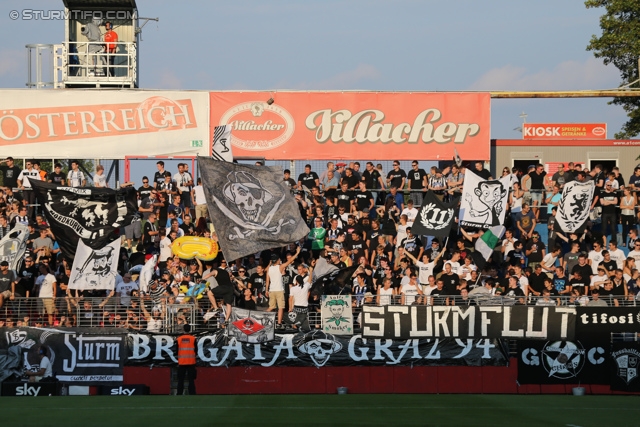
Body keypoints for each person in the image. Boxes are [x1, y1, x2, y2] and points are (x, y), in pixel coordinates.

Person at [266, 247, 300, 328]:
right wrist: (297, 253)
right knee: (281, 307)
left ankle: (261, 318)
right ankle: (279, 324)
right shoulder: (280, 267)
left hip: (271, 290)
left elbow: (267, 280)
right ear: (277, 260)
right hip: (279, 290)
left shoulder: (269, 269)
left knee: (271, 307)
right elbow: (290, 261)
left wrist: (266, 290)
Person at [176, 324, 197, 395]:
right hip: (191, 362)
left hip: (182, 362)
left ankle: (179, 393)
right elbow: (196, 350)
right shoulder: (193, 338)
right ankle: (192, 393)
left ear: (183, 329)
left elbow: (176, 350)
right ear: (190, 329)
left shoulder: (179, 339)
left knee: (180, 379)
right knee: (191, 379)